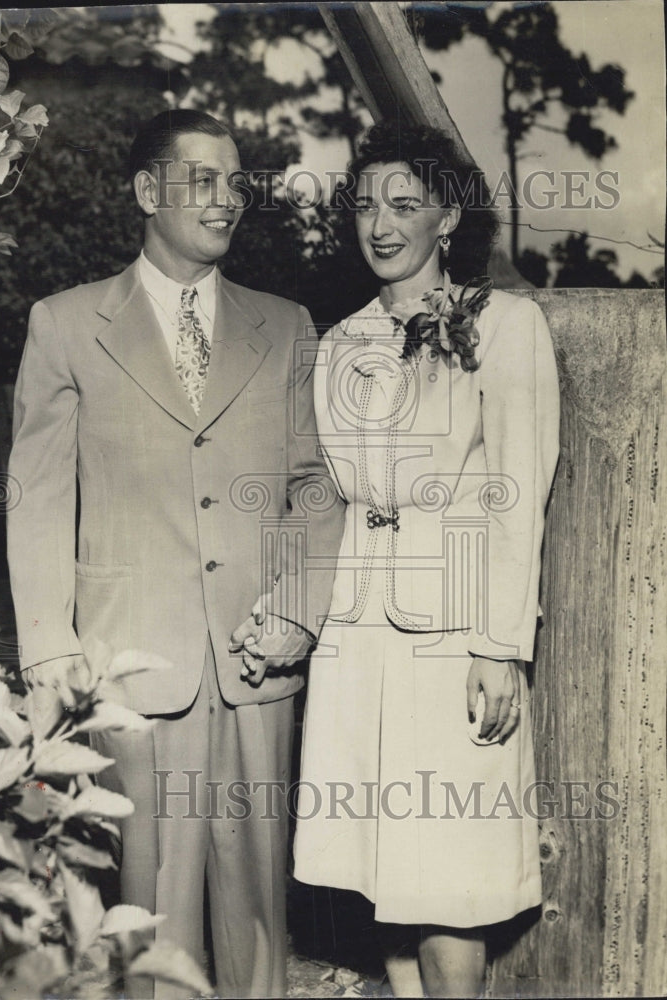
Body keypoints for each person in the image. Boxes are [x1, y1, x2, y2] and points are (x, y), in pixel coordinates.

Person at [7, 109, 344, 999]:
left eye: (237, 183)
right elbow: (37, 496)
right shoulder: (66, 324)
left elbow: (314, 487)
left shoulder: (285, 324)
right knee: (147, 915)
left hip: (255, 660)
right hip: (129, 665)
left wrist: (298, 610)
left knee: (258, 914)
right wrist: (47, 648)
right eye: (202, 180)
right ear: (146, 192)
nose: (226, 199)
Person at [290, 122, 560, 998]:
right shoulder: (336, 343)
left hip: (452, 641)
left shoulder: (505, 326)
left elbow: (520, 489)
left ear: (447, 217)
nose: (380, 223)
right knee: (385, 873)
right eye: (365, 204)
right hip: (357, 640)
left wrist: (498, 645)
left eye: (404, 204)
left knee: (450, 875)